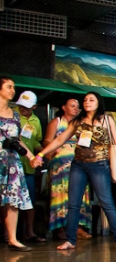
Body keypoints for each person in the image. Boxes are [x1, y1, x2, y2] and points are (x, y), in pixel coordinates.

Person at [35, 92, 116, 251]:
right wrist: (41, 154)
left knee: (107, 203)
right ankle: (70, 240)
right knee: (73, 204)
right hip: (78, 165)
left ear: (98, 102)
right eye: (86, 100)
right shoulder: (78, 121)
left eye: (91, 99)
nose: (87, 102)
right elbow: (60, 139)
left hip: (99, 166)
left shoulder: (106, 119)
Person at [43, 96, 91, 240]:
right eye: (72, 106)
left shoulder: (82, 124)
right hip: (60, 166)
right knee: (62, 196)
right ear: (63, 107)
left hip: (79, 163)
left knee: (79, 195)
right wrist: (51, 150)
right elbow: (47, 140)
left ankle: (77, 227)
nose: (76, 109)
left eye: (77, 106)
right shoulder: (57, 122)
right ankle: (62, 228)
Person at [0, 77, 38, 251]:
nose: (12, 90)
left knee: (13, 200)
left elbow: (19, 140)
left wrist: (31, 156)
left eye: (13, 87)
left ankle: (13, 239)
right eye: (9, 87)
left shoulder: (15, 114)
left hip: (12, 162)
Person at [13, 90, 44, 243]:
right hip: (14, 163)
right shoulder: (13, 117)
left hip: (29, 166)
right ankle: (10, 233)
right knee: (11, 200)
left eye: (26, 106)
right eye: (20, 106)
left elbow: (36, 141)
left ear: (34, 106)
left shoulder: (36, 121)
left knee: (30, 200)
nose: (22, 109)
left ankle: (29, 232)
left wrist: (44, 152)